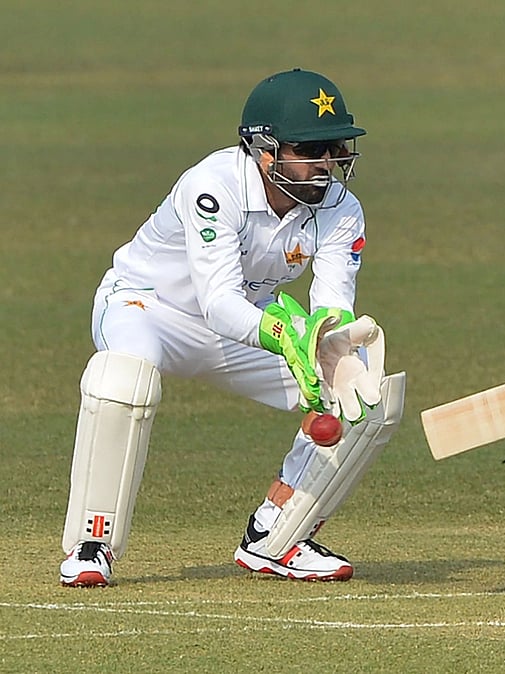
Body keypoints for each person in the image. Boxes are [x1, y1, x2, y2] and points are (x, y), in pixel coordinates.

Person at [59, 68, 406, 587]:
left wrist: (334, 348)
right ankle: (93, 543)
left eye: (332, 149)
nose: (325, 165)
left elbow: (331, 304)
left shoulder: (341, 209)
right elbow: (218, 302)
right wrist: (282, 333)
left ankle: (278, 538)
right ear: (265, 150)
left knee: (364, 399)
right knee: (121, 382)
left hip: (247, 325)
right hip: (149, 309)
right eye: (309, 150)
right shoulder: (212, 185)